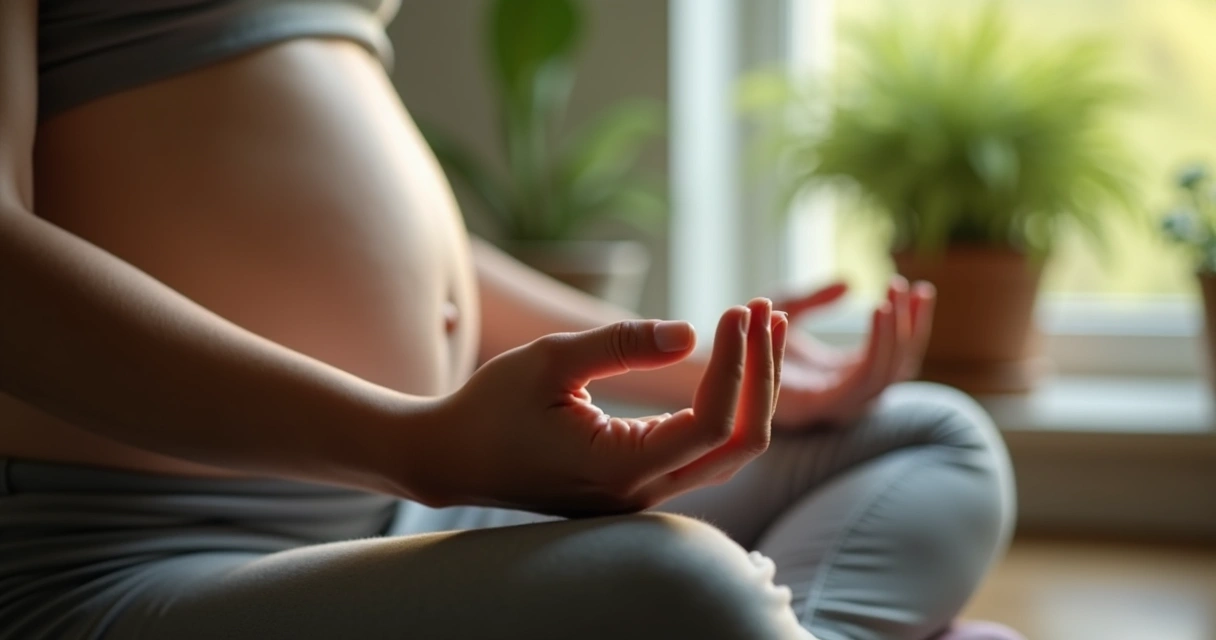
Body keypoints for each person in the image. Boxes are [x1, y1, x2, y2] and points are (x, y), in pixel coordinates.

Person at [0, 1, 1018, 639]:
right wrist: (416, 443)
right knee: (679, 587)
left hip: (399, 513)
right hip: (133, 563)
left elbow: (416, 247)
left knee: (931, 435)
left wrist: (704, 365)